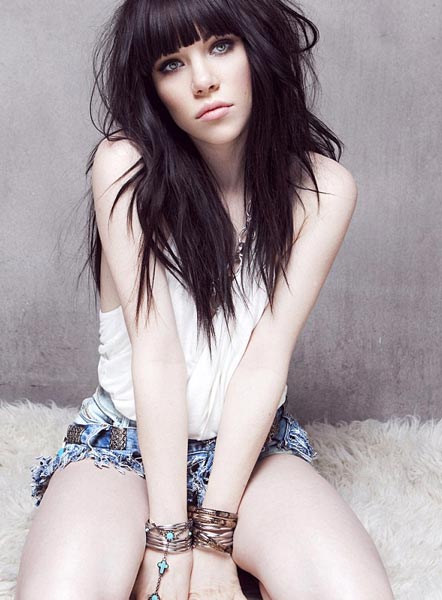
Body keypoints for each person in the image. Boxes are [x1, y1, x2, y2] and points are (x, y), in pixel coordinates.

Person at [15, 0, 394, 598]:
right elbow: (158, 353)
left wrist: (214, 539)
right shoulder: (125, 168)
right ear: (153, 88)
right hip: (124, 446)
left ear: (258, 48)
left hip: (252, 453)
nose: (202, 80)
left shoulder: (322, 190)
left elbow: (265, 361)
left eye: (220, 46)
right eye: (171, 63)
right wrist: (170, 541)